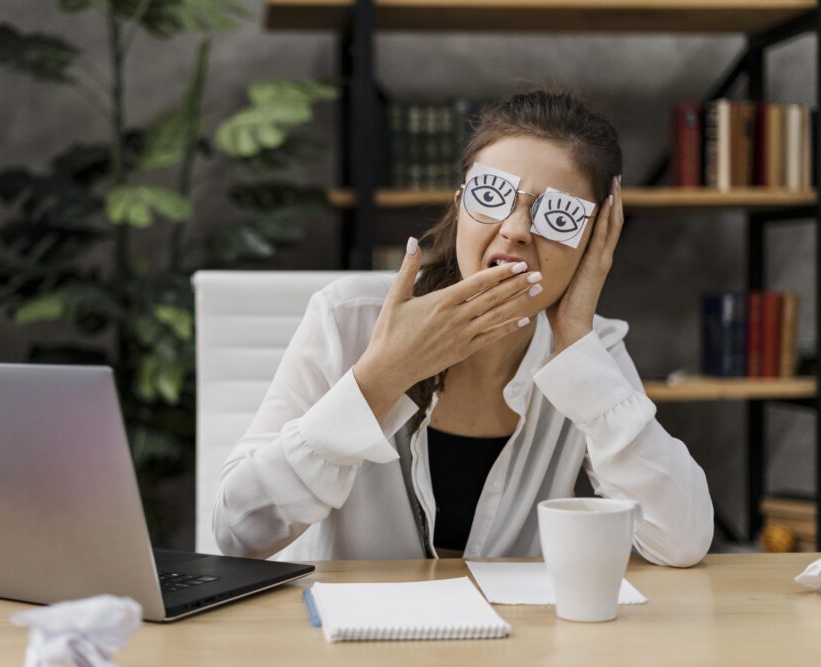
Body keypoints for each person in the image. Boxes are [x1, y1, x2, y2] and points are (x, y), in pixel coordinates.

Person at [212, 86, 714, 566]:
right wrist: (380, 378)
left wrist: (578, 349)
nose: (515, 231)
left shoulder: (590, 349)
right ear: (460, 206)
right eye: (492, 196)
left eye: (558, 217)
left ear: (593, 243)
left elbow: (682, 541)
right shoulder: (348, 318)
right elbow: (239, 534)